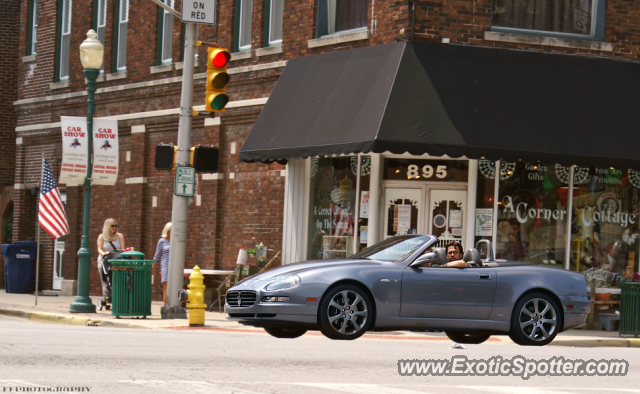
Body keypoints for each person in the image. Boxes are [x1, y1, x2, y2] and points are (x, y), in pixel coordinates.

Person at [96, 218, 125, 309]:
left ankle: (116, 299)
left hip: (116, 260)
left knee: (116, 280)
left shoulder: (119, 236)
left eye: (116, 226)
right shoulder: (102, 237)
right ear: (107, 227)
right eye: (112, 226)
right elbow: (99, 249)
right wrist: (104, 253)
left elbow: (123, 249)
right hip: (104, 261)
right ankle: (106, 300)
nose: (114, 228)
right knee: (106, 280)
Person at [154, 222, 171, 306]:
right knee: (166, 284)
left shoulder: (176, 241)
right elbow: (157, 255)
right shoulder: (162, 241)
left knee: (175, 283)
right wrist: (153, 267)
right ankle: (165, 304)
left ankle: (173, 303)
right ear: (168, 231)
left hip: (174, 265)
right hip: (165, 264)